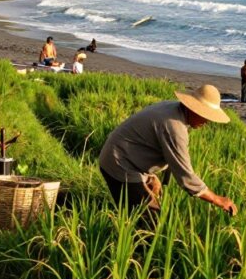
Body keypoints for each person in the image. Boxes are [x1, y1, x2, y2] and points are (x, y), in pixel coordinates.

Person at [99, 84, 238, 215]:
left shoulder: (174, 110)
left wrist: (153, 178)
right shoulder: (174, 127)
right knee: (149, 224)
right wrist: (217, 199)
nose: (207, 122)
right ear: (193, 108)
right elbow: (185, 176)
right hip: (120, 165)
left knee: (147, 209)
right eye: (205, 115)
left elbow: (165, 152)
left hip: (126, 158)